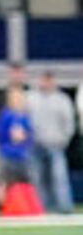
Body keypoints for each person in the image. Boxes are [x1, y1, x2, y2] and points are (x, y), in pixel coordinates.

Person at [29, 69, 76, 215]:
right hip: (36, 145)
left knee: (59, 177)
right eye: (44, 79)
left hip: (56, 145)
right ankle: (41, 208)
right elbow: (25, 121)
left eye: (49, 80)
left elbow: (69, 123)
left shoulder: (62, 99)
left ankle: (64, 207)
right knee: (38, 178)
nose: (46, 83)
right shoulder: (31, 99)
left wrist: (63, 140)